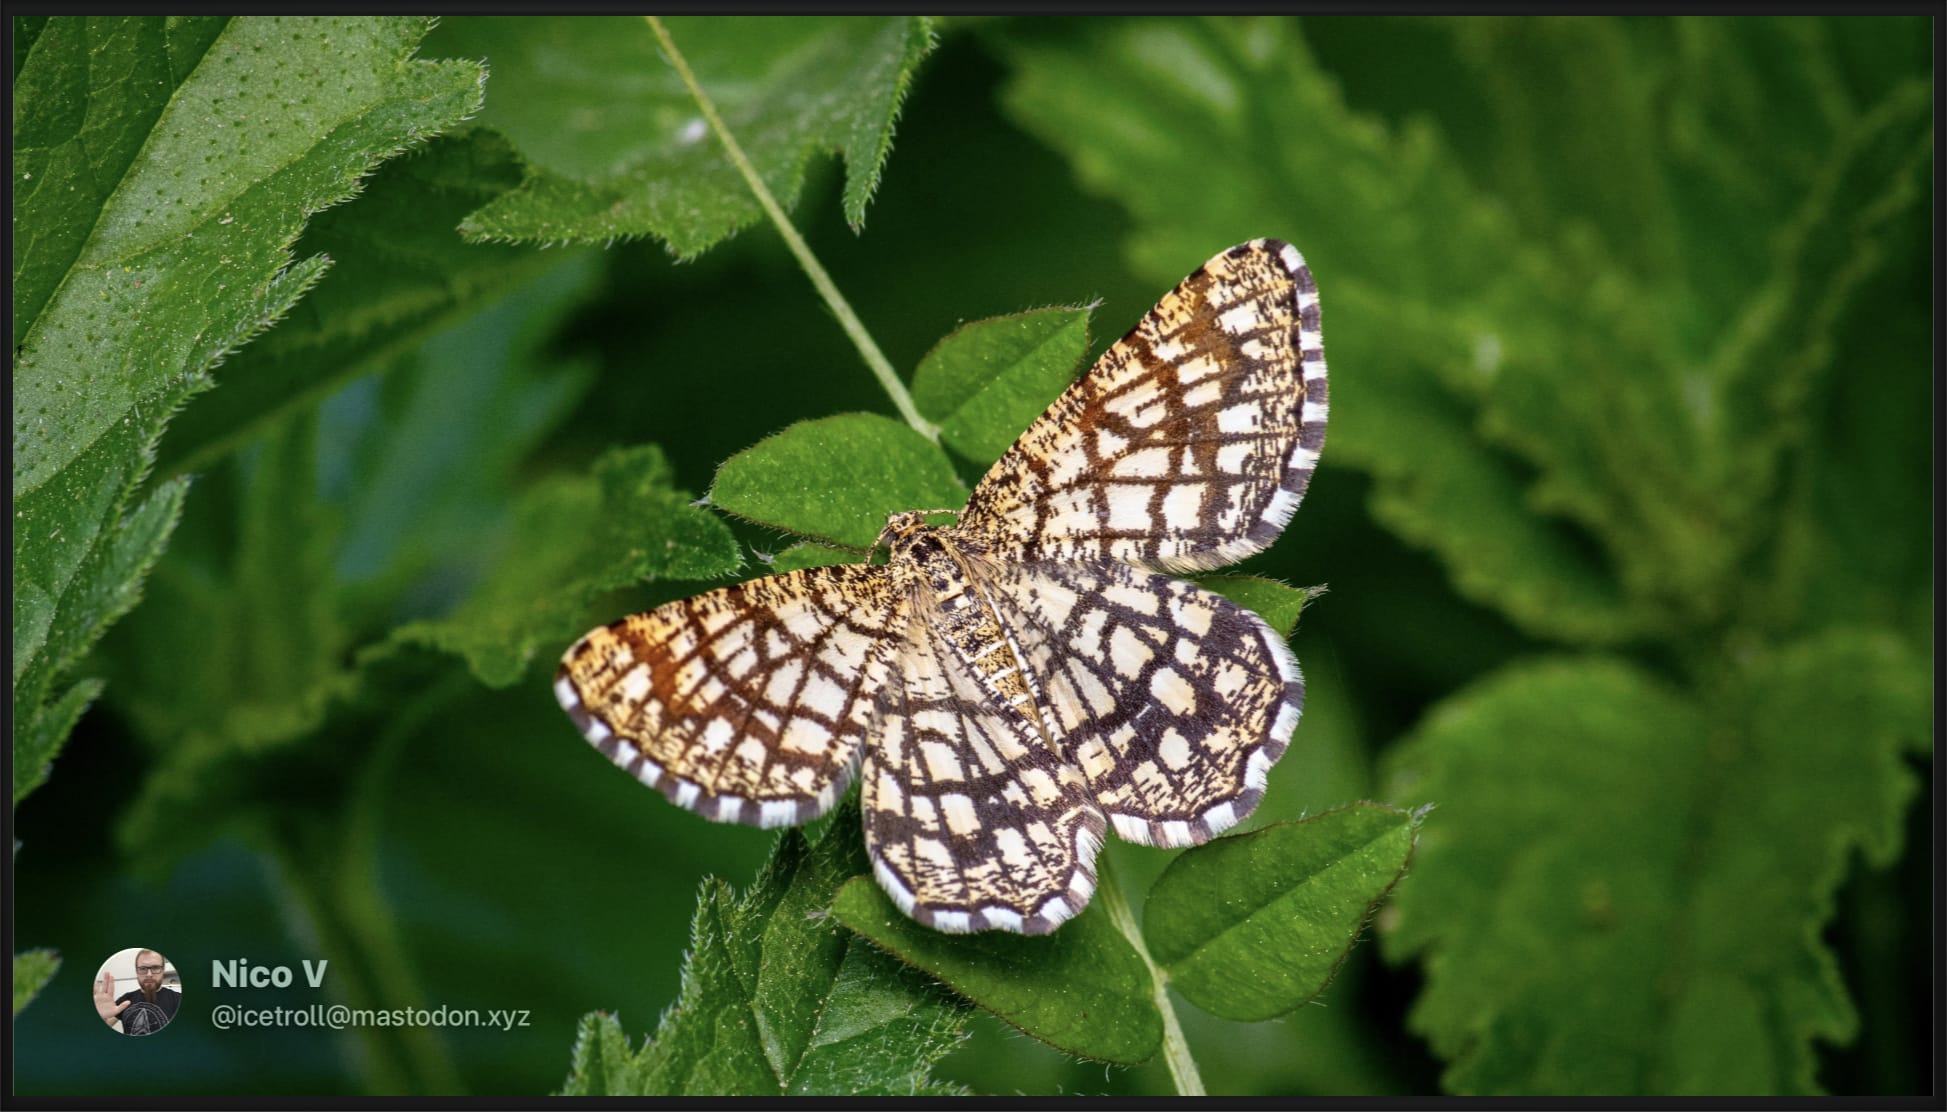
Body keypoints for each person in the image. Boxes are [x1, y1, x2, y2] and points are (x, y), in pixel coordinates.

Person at [95, 950, 179, 1036]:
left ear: (163, 970)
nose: (149, 974)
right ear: (136, 971)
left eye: (155, 968)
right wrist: (101, 1017)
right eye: (143, 968)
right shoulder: (126, 999)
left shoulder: (178, 999)